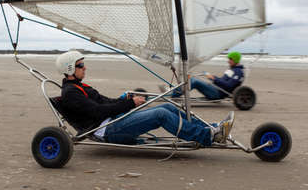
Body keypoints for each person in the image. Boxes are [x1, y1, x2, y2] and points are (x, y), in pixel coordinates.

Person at [55, 51, 234, 146]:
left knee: (169, 107)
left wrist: (123, 99)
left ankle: (210, 129)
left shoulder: (79, 87)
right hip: (108, 130)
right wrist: (129, 104)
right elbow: (97, 111)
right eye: (81, 65)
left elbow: (104, 102)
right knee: (160, 114)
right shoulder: (71, 93)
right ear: (70, 69)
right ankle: (207, 137)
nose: (84, 68)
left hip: (113, 121)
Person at [161, 51, 245, 100]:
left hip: (218, 94)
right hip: (215, 88)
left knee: (194, 81)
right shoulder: (232, 70)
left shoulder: (238, 72)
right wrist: (213, 77)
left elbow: (229, 85)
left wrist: (214, 79)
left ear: (235, 59)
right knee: (192, 79)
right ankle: (173, 90)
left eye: (230, 59)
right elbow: (223, 81)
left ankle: (171, 94)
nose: (228, 61)